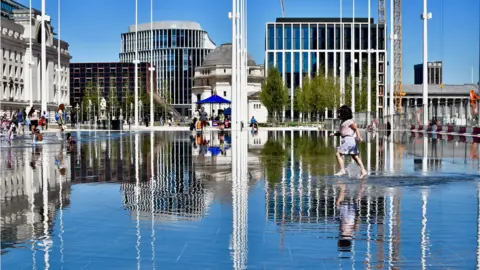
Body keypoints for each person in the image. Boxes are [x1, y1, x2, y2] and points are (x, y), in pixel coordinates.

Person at [330, 105, 367, 177]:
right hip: (351, 141)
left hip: (349, 140)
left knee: (338, 154)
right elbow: (342, 133)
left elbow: (356, 129)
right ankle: (363, 170)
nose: (338, 114)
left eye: (339, 113)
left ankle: (342, 170)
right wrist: (334, 134)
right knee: (355, 156)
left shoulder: (349, 121)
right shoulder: (343, 122)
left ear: (344, 114)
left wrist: (359, 137)